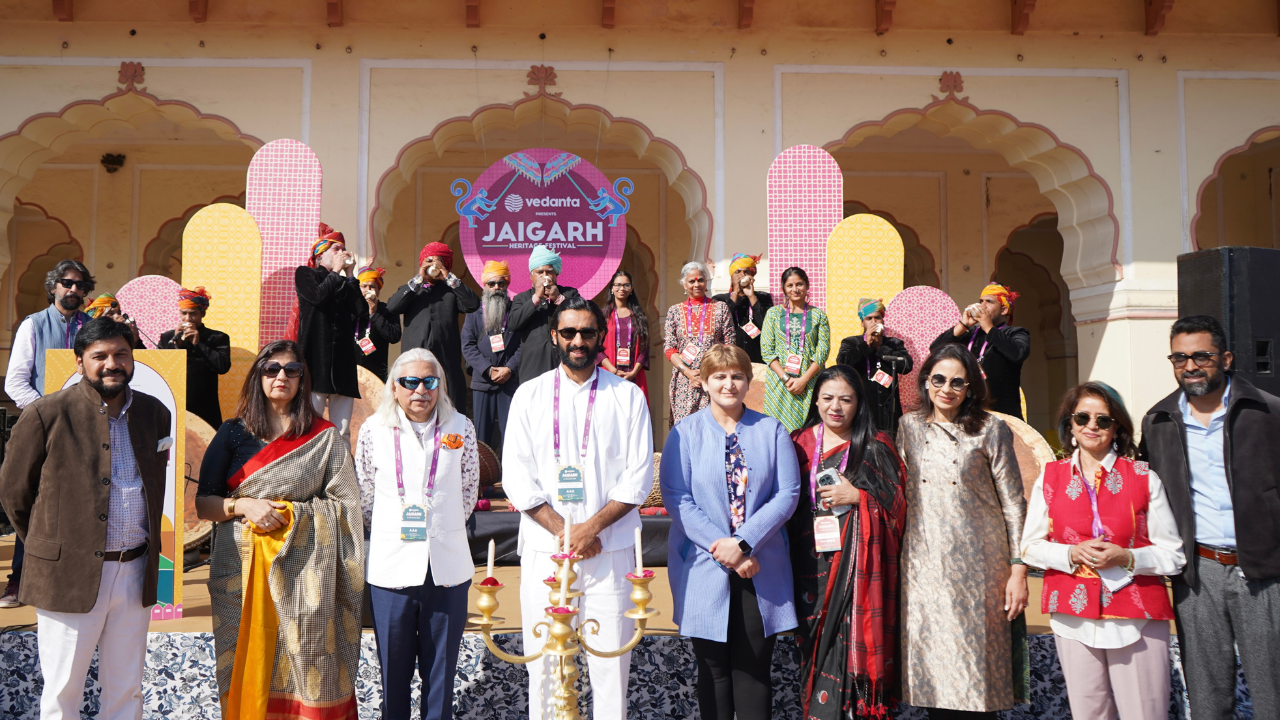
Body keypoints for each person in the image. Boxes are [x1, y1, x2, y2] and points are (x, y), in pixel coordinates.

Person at [0, 317, 172, 720]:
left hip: (136, 571)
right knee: (63, 694)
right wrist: (52, 548)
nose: (112, 363)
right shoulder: (47, 413)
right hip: (68, 575)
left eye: (121, 354)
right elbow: (13, 492)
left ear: (133, 359)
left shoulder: (155, 413)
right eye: (100, 356)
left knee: (127, 691)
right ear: (79, 362)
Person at [195, 340, 364, 720]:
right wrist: (243, 505)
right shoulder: (233, 433)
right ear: (258, 375)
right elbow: (205, 504)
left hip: (307, 575)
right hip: (242, 570)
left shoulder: (324, 437)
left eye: (292, 370)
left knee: (306, 653)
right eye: (271, 369)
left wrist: (294, 514)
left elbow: (346, 506)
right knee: (248, 653)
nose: (281, 377)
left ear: (304, 379)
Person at [503, 296, 653, 720]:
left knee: (609, 668)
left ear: (601, 336)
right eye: (568, 332)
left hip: (610, 551)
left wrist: (592, 530)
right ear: (554, 336)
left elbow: (639, 477)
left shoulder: (626, 396)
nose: (578, 341)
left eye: (588, 332)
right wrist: (563, 531)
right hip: (545, 550)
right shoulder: (529, 395)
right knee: (545, 667)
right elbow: (516, 475)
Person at [1138, 315, 1280, 720]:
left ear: (1227, 358)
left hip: (1263, 572)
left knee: (1273, 694)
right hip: (1197, 573)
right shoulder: (1159, 421)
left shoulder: (1268, 413)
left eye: (1202, 355)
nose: (1190, 366)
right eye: (1179, 357)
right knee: (1207, 697)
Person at [1021, 382, 1184, 720]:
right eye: (1082, 418)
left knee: (1145, 714)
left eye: (1103, 420)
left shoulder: (1143, 477)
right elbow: (1030, 548)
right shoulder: (1049, 478)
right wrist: (1070, 553)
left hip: (1137, 615)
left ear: (1117, 428)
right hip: (1072, 616)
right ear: (1071, 425)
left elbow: (1174, 555)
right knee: (1089, 714)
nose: (1091, 426)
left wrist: (1128, 557)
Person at [660, 344, 800, 720]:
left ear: (748, 380)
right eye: (719, 376)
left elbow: (787, 494)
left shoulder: (771, 431)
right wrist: (722, 547)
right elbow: (677, 498)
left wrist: (743, 543)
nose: (729, 383)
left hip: (760, 564)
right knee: (714, 671)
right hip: (704, 565)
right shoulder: (684, 433)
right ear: (704, 382)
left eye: (737, 375)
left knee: (753, 669)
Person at [896, 343, 1028, 719]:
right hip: (924, 570)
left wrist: (1018, 568)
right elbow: (896, 494)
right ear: (925, 382)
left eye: (958, 382)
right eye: (938, 379)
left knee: (976, 682)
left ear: (970, 388)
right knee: (935, 684)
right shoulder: (909, 427)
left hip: (981, 573)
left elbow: (1014, 503)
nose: (947, 389)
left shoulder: (990, 428)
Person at [354, 348, 479, 720]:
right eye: (410, 382)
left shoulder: (461, 427)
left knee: (441, 672)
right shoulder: (374, 430)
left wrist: (439, 524)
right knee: (393, 674)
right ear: (395, 387)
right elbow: (364, 494)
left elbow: (468, 489)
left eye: (429, 381)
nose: (420, 390)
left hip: (447, 567)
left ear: (440, 385)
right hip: (391, 570)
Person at [787, 365, 907, 719]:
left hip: (858, 573)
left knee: (850, 657)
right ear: (816, 400)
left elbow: (899, 509)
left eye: (846, 399)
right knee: (814, 654)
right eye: (827, 398)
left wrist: (860, 497)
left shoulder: (876, 445)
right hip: (808, 569)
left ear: (859, 404)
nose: (835, 407)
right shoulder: (798, 443)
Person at [1, 258, 94, 609]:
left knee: (83, 506)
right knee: (37, 505)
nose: (74, 290)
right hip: (43, 430)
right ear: (53, 286)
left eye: (81, 285)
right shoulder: (34, 325)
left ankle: (76, 581)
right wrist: (47, 414)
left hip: (87, 431)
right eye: (67, 283)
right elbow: (16, 382)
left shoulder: (94, 327)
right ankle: (19, 582)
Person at [387, 242, 479, 412]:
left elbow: (472, 304)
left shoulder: (451, 291)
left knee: (450, 409)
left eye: (438, 263)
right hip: (414, 364)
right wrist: (419, 278)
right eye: (429, 262)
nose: (433, 267)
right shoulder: (412, 290)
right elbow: (393, 306)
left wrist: (449, 277)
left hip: (446, 363)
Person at [295, 223, 363, 444]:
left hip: (342, 364)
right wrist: (336, 272)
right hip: (314, 361)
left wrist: (351, 275)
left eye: (343, 249)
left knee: (342, 432)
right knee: (309, 428)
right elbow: (317, 297)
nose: (341, 253)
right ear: (320, 254)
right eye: (336, 249)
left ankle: (340, 475)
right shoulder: (305, 274)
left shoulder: (344, 282)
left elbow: (361, 311)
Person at [930, 283, 1030, 417]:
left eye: (989, 301)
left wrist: (988, 327)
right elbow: (936, 349)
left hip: (1001, 411)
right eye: (981, 301)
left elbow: (1018, 353)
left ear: (1004, 310)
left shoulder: (1015, 333)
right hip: (968, 412)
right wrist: (962, 325)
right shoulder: (970, 334)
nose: (982, 305)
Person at [662, 261, 736, 427]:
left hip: (714, 379)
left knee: (714, 426)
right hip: (684, 381)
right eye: (692, 281)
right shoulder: (674, 311)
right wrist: (688, 372)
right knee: (686, 429)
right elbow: (669, 348)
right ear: (684, 284)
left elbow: (729, 346)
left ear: (706, 281)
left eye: (700, 280)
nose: (697, 284)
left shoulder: (721, 308)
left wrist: (708, 374)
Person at [761, 267, 830, 432]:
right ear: (783, 288)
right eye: (790, 285)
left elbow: (822, 352)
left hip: (809, 383)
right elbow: (767, 351)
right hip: (780, 384)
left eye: (799, 284)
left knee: (808, 430)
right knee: (777, 431)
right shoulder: (773, 314)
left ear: (807, 285)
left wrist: (803, 380)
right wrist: (786, 379)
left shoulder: (819, 315)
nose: (795, 289)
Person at [461, 261, 522, 448]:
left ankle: (509, 476)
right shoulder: (473, 313)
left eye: (501, 283)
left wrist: (509, 369)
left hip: (509, 381)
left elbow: (523, 345)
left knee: (511, 434)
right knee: (481, 436)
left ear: (507, 285)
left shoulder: (516, 311)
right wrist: (487, 369)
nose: (496, 287)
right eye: (492, 284)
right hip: (483, 381)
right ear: (484, 286)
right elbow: (468, 345)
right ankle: (482, 476)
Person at [158, 287, 232, 430]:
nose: (187, 319)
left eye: (193, 314)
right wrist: (176, 345)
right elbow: (162, 368)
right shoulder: (168, 337)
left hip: (205, 409)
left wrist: (198, 344)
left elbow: (222, 367)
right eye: (184, 313)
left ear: (202, 314)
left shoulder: (217, 338)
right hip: (174, 404)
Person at [836, 298, 913, 433]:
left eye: (877, 318)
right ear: (862, 323)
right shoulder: (851, 342)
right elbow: (842, 363)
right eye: (869, 318)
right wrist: (866, 345)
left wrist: (880, 348)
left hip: (888, 414)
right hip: (861, 411)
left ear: (883, 320)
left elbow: (907, 365)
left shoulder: (894, 344)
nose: (874, 322)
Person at [508, 244, 583, 383]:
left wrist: (559, 299)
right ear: (531, 276)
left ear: (556, 274)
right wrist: (535, 299)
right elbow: (513, 324)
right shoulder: (522, 298)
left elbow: (581, 317)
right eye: (540, 272)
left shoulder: (570, 294)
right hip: (532, 368)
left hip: (565, 364)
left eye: (549, 272)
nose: (545, 276)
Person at [711, 253, 773, 364]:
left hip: (758, 360)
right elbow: (719, 325)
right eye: (737, 272)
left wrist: (751, 296)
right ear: (731, 276)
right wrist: (735, 293)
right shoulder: (720, 299)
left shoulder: (763, 297)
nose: (742, 275)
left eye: (746, 272)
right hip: (730, 360)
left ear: (752, 276)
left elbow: (767, 325)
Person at [600, 269, 650, 400]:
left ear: (631, 288)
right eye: (617, 285)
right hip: (608, 375)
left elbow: (645, 348)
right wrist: (613, 370)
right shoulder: (602, 316)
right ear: (612, 288)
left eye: (626, 285)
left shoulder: (639, 316)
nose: (622, 288)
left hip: (634, 375)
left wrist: (633, 373)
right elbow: (596, 348)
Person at [353, 266, 403, 383]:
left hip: (376, 375)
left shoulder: (388, 310)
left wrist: (374, 314)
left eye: (372, 287)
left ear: (378, 290)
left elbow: (394, 336)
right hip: (350, 373)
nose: (368, 290)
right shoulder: (350, 309)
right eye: (364, 286)